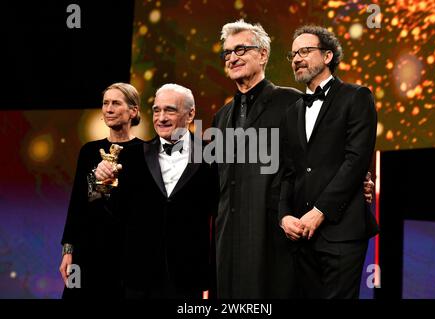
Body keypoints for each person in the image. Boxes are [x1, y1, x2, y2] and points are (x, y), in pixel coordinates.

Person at [213, 19, 375, 299]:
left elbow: (336, 153)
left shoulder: (291, 102)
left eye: (240, 49)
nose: (233, 57)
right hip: (234, 239)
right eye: (227, 52)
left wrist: (360, 181)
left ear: (263, 55)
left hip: (281, 241)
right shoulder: (221, 117)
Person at [279, 25, 379, 299]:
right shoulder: (292, 112)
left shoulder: (357, 97)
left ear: (328, 56)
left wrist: (320, 211)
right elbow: (289, 172)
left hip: (341, 232)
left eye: (305, 51)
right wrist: (284, 216)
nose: (297, 58)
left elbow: (356, 161)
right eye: (293, 54)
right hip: (301, 236)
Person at [95, 84, 218, 298]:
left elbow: (218, 212)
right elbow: (115, 213)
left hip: (189, 276)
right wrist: (105, 185)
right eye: (156, 110)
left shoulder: (211, 155)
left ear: (191, 114)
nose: (161, 118)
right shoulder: (132, 155)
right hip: (139, 277)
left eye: (169, 110)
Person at [59, 82, 143, 298]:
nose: (108, 109)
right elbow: (77, 203)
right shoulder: (88, 151)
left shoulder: (145, 153)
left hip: (124, 253)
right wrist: (68, 251)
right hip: (85, 250)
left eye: (116, 103)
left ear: (133, 111)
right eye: (105, 103)